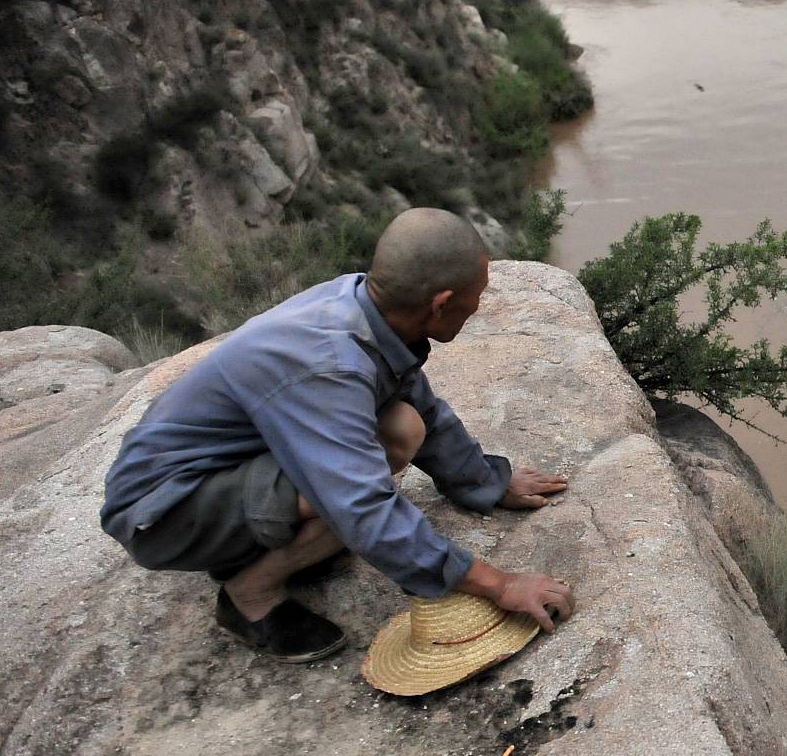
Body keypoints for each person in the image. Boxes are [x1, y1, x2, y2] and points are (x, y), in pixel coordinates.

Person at [100, 208, 578, 662]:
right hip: (164, 509)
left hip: (223, 474)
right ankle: (248, 595)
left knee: (400, 428)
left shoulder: (363, 307)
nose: (479, 306)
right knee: (347, 497)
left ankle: (266, 541)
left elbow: (419, 405)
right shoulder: (329, 363)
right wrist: (498, 584)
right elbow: (362, 508)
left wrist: (486, 482)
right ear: (441, 305)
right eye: (478, 295)